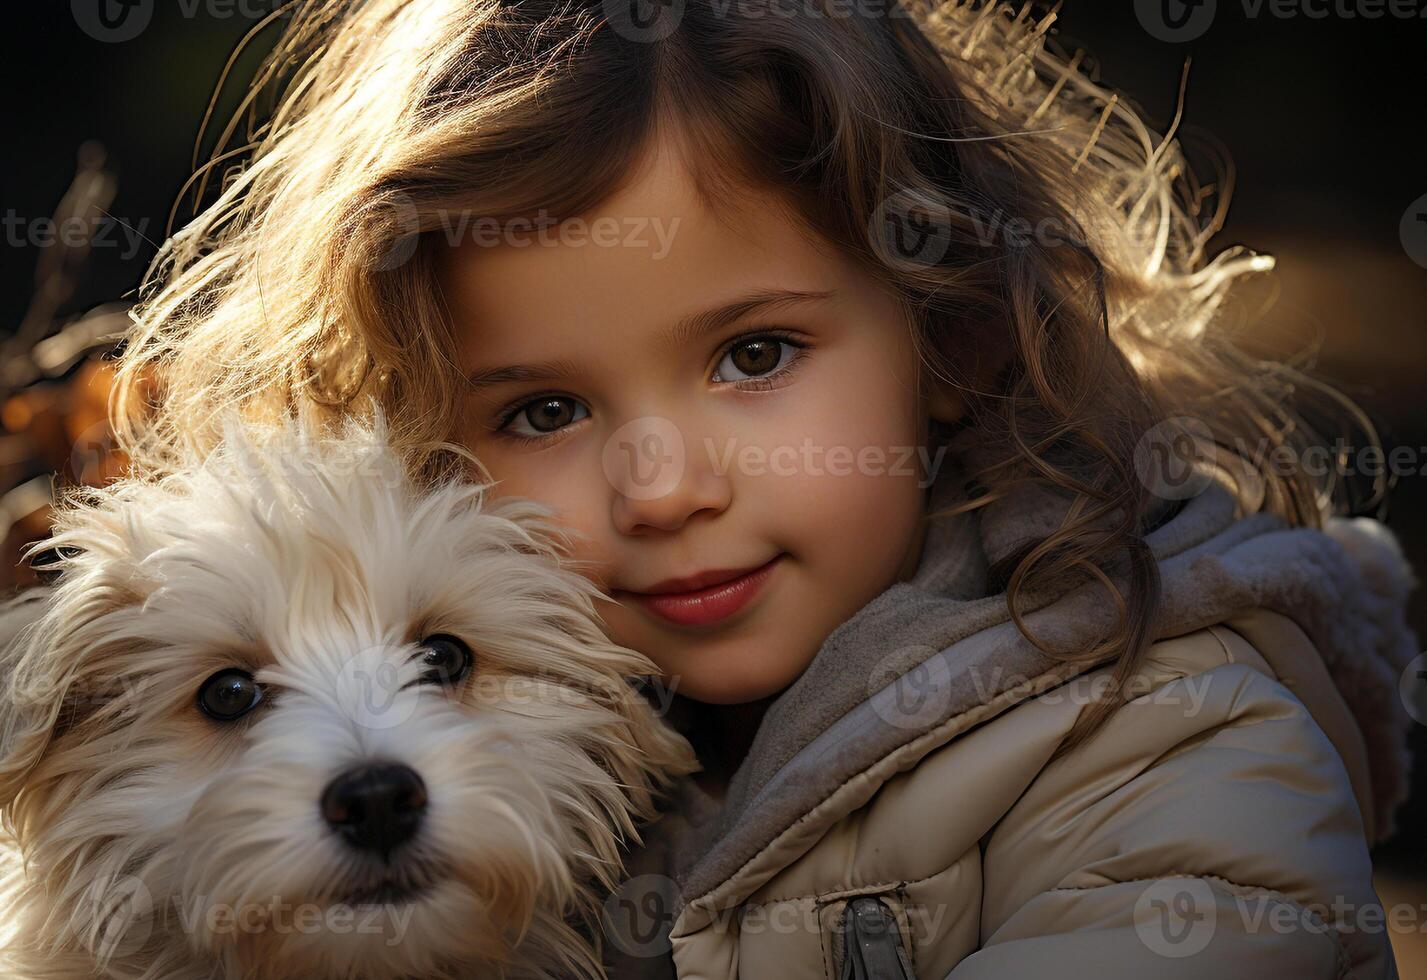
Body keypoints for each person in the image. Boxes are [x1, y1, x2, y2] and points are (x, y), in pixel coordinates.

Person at [112, 2, 1417, 976]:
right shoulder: (479, 786)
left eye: (754, 355)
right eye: (545, 410)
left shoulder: (1174, 746)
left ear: (952, 334)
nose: (665, 488)